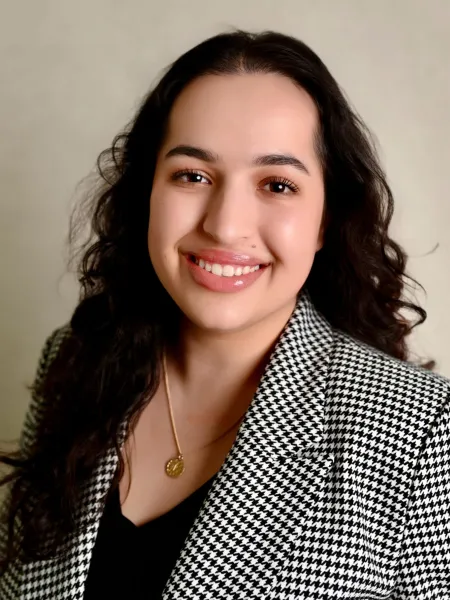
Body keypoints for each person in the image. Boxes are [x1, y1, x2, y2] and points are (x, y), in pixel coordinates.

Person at [0, 28, 449, 600]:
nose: (224, 224)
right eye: (192, 175)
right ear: (147, 194)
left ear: (326, 221)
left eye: (277, 184)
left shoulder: (424, 433)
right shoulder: (72, 361)